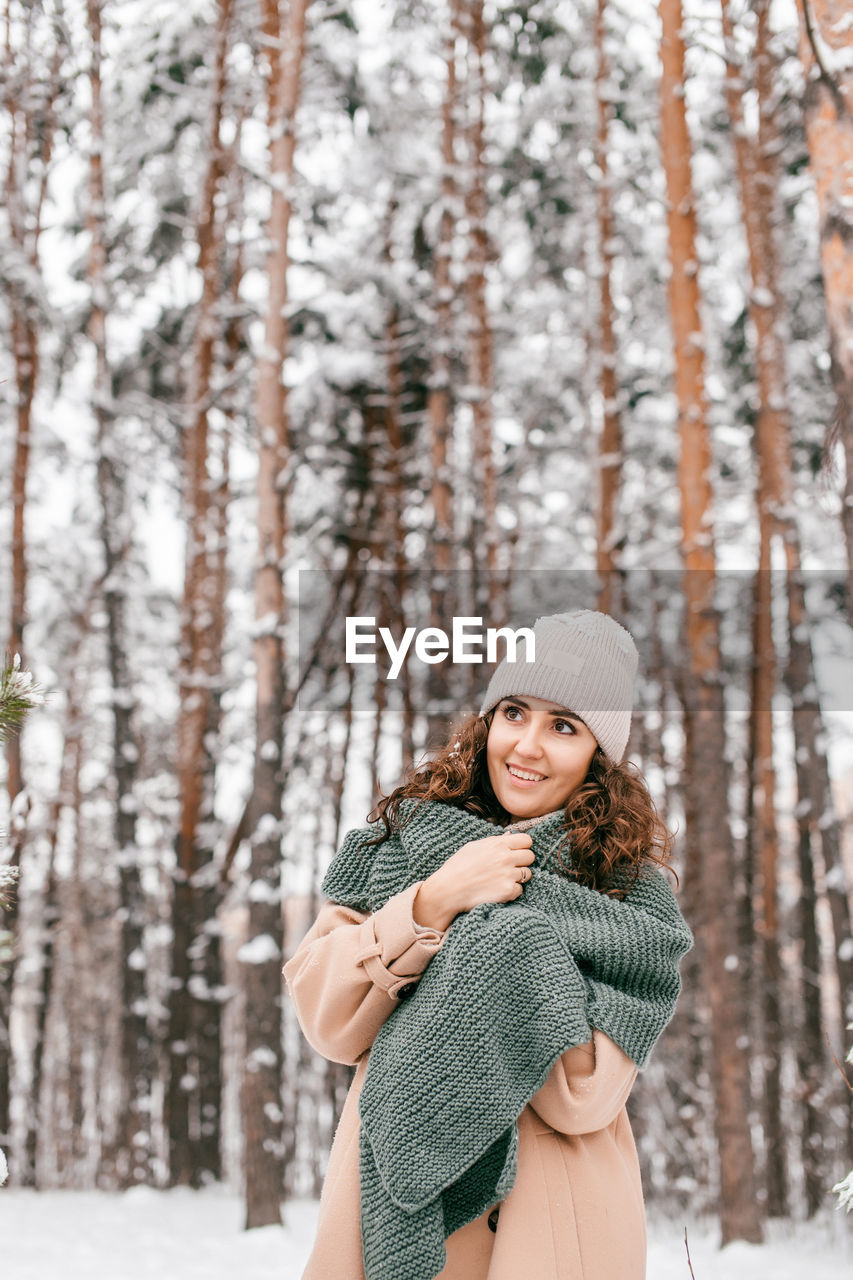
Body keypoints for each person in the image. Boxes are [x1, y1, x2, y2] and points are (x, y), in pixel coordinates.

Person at [284, 609, 693, 1280]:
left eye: (563, 726)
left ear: (600, 753)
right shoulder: (400, 848)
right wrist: (434, 900)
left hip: (549, 1237)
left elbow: (582, 1098)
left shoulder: (626, 897)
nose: (527, 746)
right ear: (486, 721)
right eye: (513, 712)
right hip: (381, 1209)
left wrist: (514, 947)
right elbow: (327, 1020)